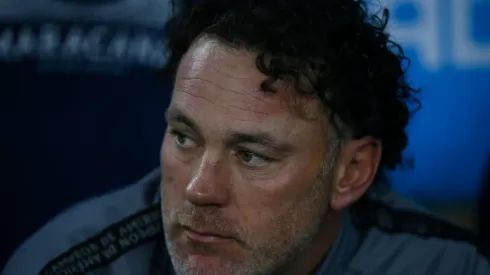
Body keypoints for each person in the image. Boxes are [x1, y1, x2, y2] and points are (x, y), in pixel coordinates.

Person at [3, 0, 489, 274]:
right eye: (184, 137)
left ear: (351, 171)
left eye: (252, 155)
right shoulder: (64, 267)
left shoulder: (448, 268)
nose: (198, 189)